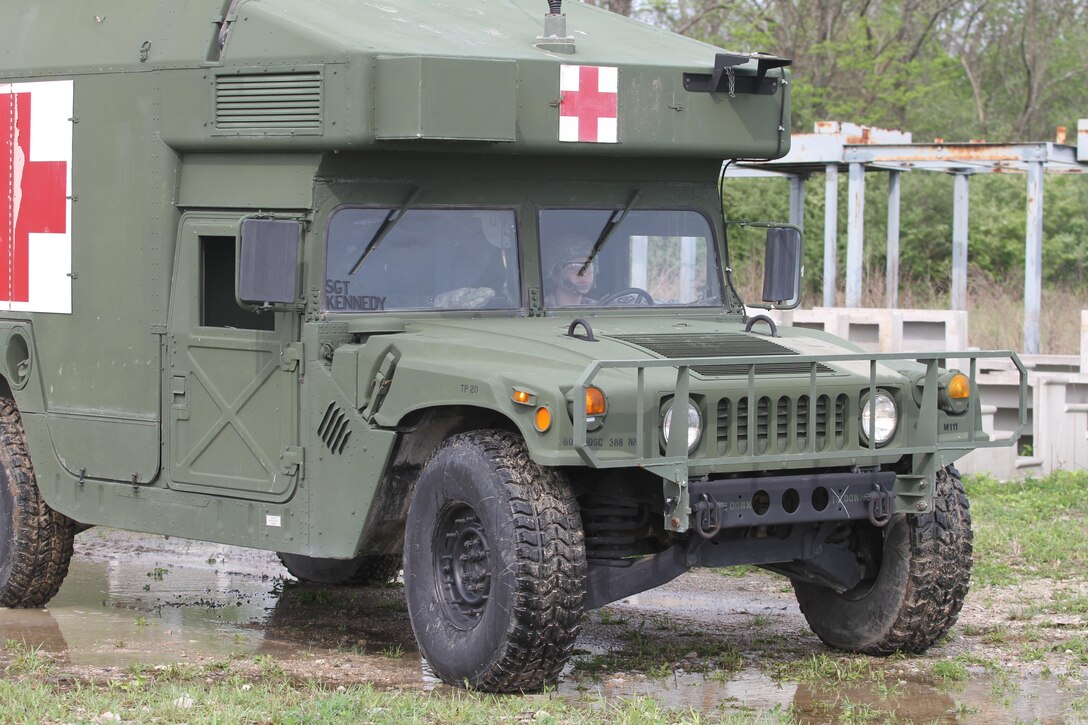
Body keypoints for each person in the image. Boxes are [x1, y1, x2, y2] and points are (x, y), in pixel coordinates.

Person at [545, 242, 597, 307]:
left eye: (589, 267)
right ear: (556, 275)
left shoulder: (597, 308)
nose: (584, 274)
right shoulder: (543, 309)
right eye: (574, 268)